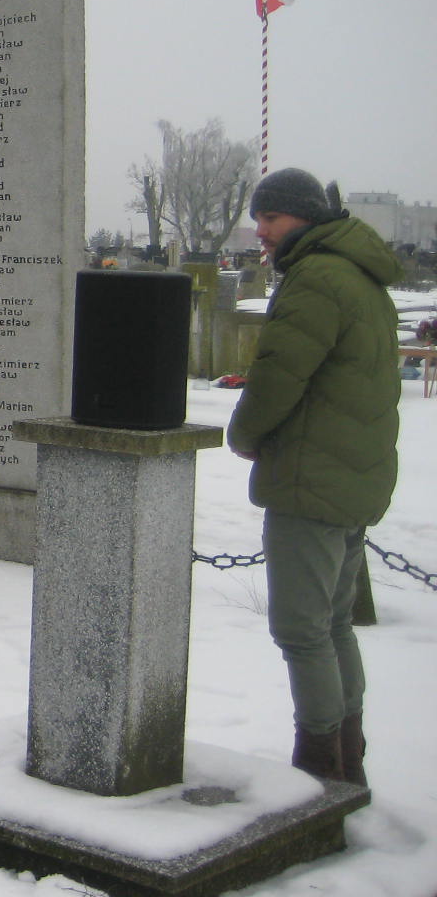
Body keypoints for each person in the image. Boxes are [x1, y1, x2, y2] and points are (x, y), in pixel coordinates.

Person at [227, 168, 400, 785]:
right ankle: (348, 758)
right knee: (331, 626)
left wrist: (244, 436)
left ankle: (321, 770)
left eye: (269, 218)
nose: (261, 231)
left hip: (311, 478)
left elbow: (278, 376)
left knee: (302, 630)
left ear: (301, 216)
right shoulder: (357, 276)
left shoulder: (317, 279)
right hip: (350, 477)